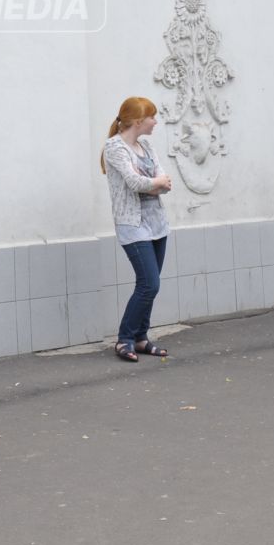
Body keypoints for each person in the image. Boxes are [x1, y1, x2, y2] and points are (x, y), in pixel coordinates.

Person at [103, 95, 172, 362]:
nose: (155, 122)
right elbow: (135, 182)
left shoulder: (146, 146)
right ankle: (125, 339)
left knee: (150, 285)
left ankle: (141, 338)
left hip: (157, 224)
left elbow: (163, 179)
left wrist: (155, 181)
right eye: (152, 117)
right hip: (133, 226)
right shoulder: (115, 148)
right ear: (137, 120)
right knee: (148, 284)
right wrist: (154, 182)